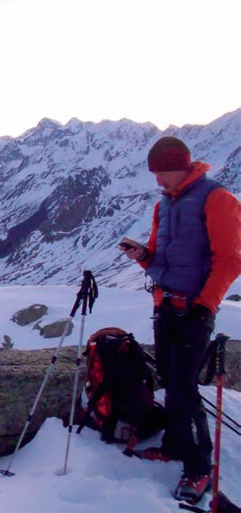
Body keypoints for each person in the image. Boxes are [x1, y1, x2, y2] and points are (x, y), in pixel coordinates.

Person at [120, 136, 241, 503]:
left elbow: (230, 259)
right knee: (170, 379)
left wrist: (205, 307)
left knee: (184, 387)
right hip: (166, 305)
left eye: (163, 173)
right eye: (155, 174)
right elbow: (161, 259)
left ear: (182, 167)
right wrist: (143, 255)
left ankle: (199, 466)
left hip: (195, 309)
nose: (158, 181)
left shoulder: (216, 198)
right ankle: (174, 444)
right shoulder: (165, 205)